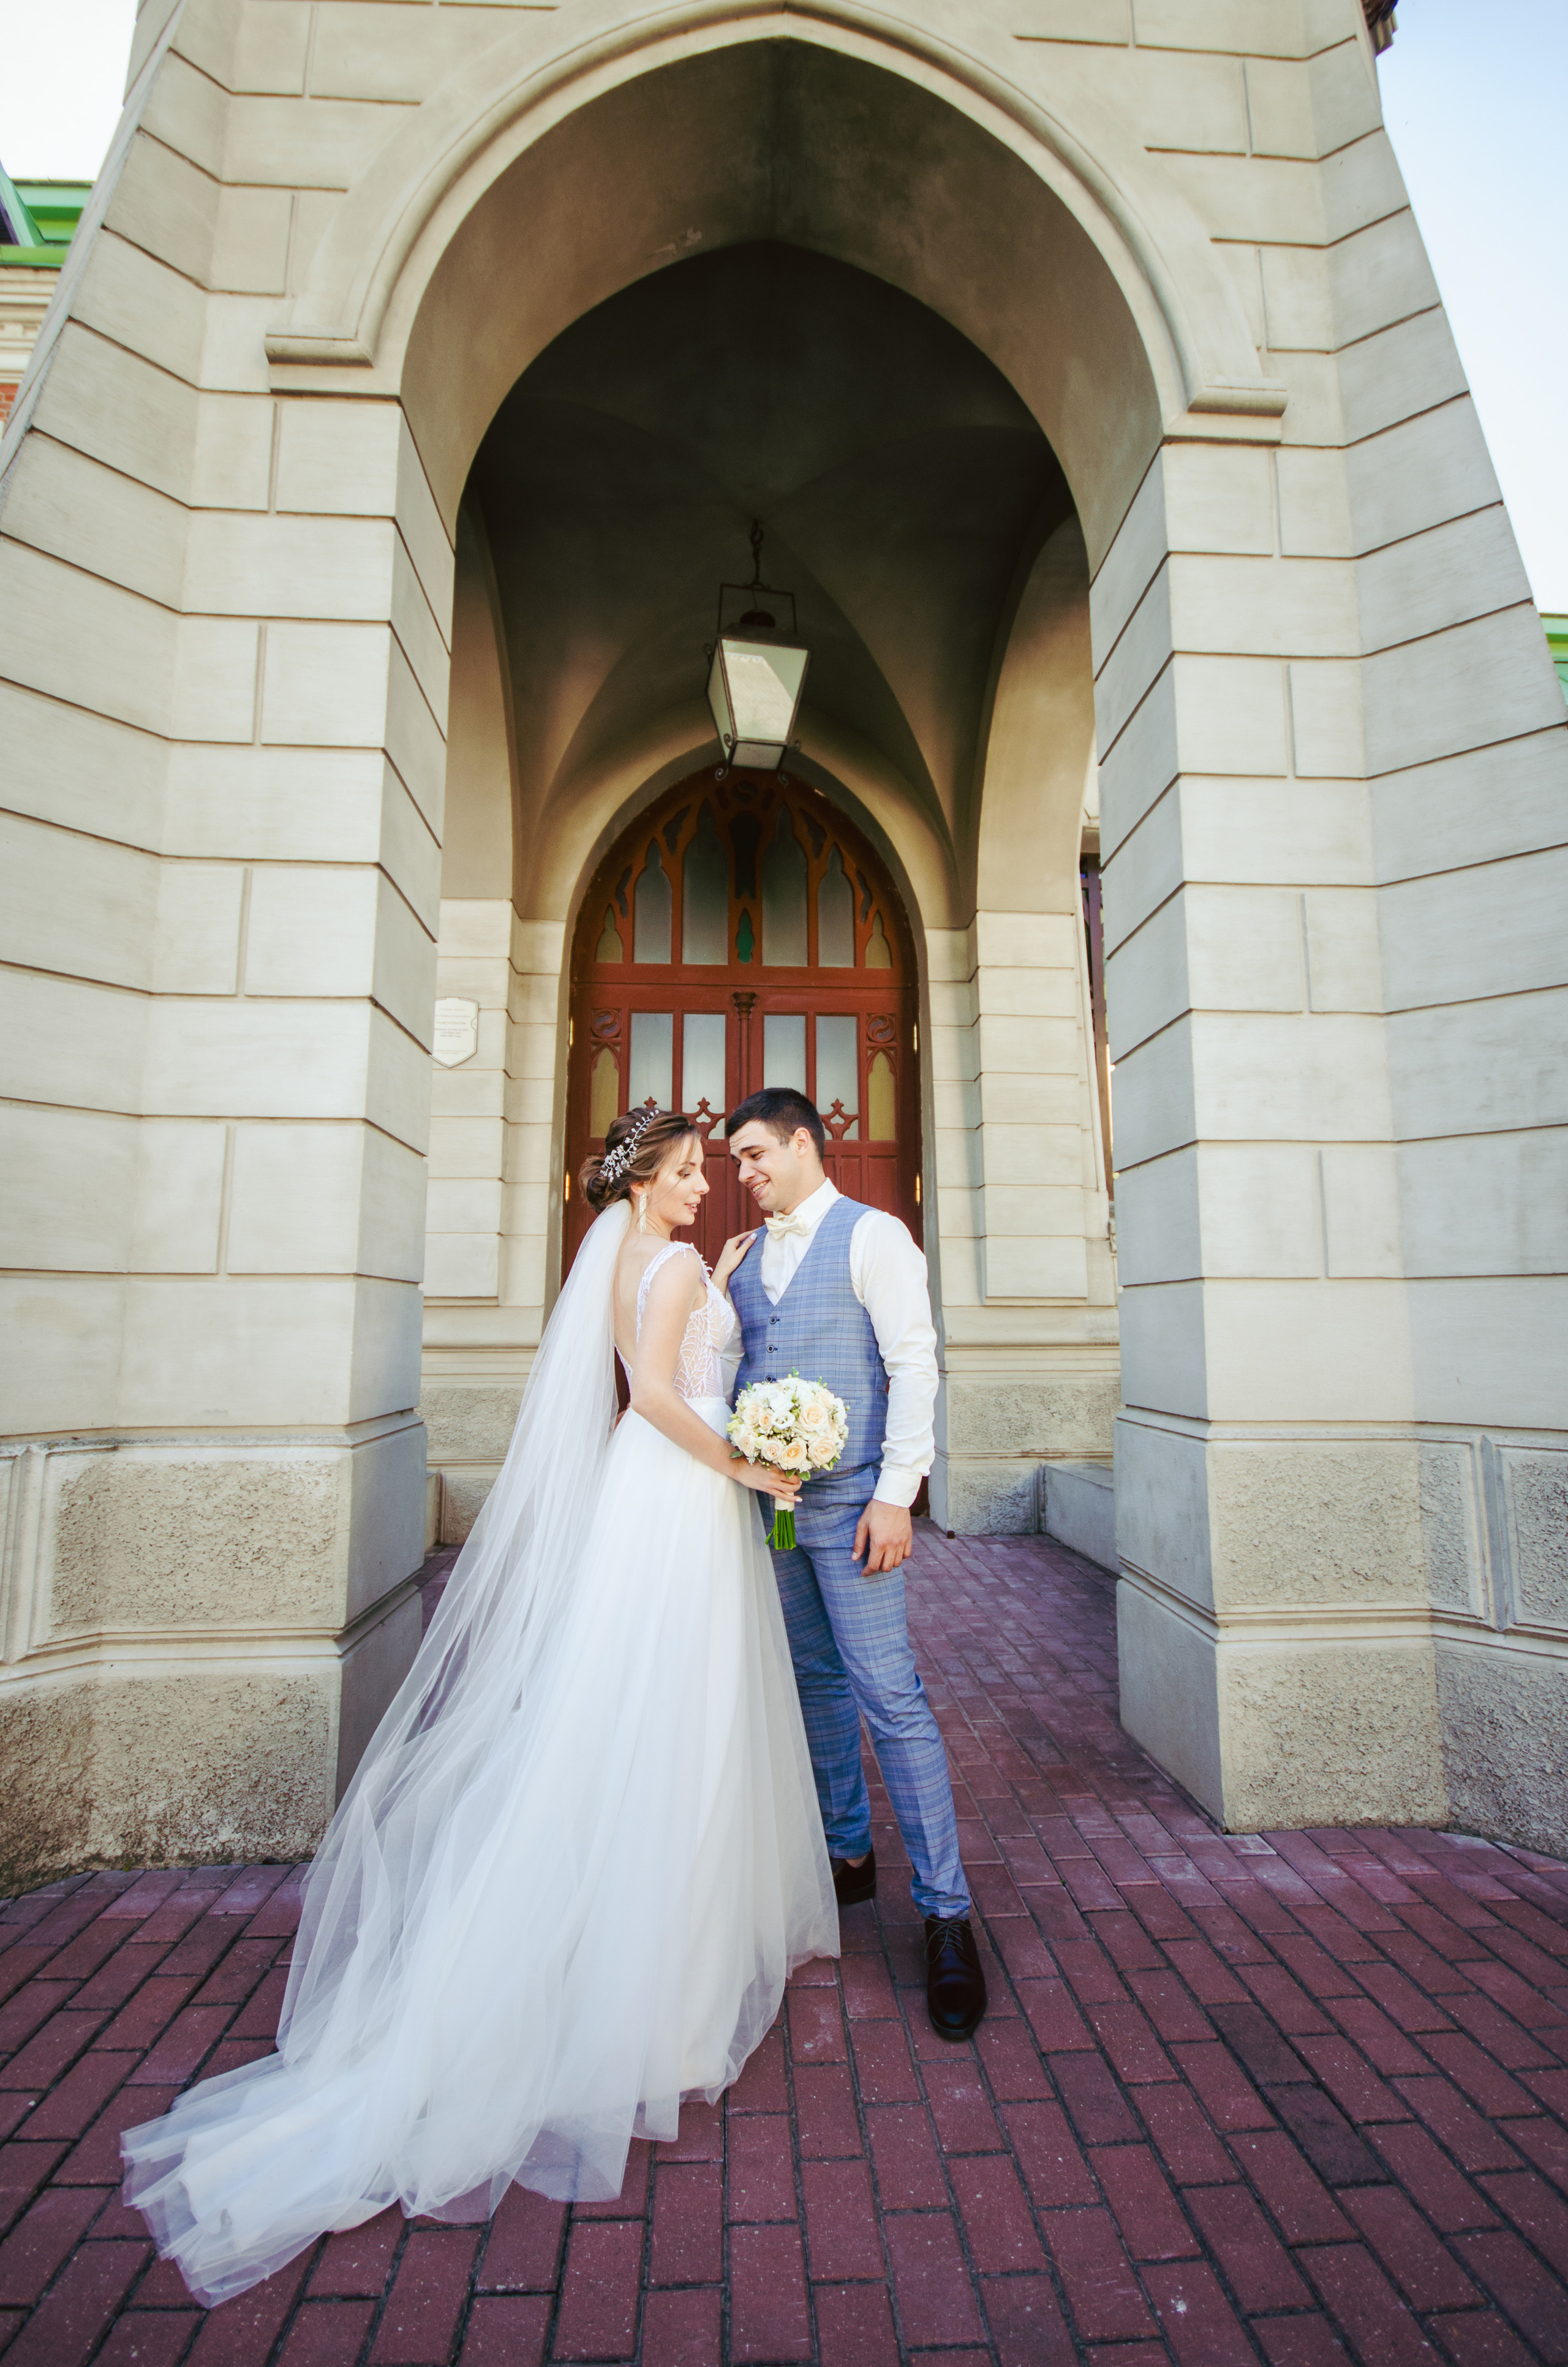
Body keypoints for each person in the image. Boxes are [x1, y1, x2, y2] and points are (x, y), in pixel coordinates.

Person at [121, 1109, 837, 2309]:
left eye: (703, 1168)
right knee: (675, 1731)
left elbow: (665, 1349)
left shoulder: (634, 1260)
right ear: (648, 1184)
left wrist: (710, 1293)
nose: (702, 1181)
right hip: (676, 1502)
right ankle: (654, 1997)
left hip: (647, 1506)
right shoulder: (662, 1268)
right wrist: (749, 1467)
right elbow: (661, 1395)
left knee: (633, 1726)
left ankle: (656, 1960)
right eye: (685, 1172)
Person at [720, 1087, 987, 2040]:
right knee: (815, 1683)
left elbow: (915, 1362)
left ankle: (948, 1916)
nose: (743, 1177)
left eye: (754, 1157)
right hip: (778, 1516)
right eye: (736, 1163)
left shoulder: (877, 1238)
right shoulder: (745, 1257)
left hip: (858, 1510)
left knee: (889, 1693)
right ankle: (846, 1854)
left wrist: (897, 1493)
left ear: (802, 1143)